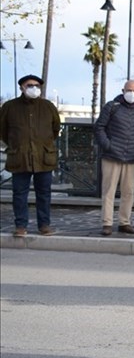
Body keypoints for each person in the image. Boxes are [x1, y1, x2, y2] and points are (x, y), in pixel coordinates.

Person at [0, 74, 60, 238]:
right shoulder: (9, 107)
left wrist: (44, 143)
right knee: (19, 193)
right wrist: (16, 144)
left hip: (43, 157)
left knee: (44, 193)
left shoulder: (48, 106)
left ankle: (44, 225)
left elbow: (55, 128)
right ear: (22, 88)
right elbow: (3, 130)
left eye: (37, 85)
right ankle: (20, 225)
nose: (34, 88)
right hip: (20, 157)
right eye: (30, 85)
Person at [94, 79, 134, 236]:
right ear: (123, 91)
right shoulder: (112, 107)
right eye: (129, 90)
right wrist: (108, 146)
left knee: (128, 192)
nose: (132, 93)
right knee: (109, 191)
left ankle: (124, 222)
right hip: (111, 156)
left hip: (131, 157)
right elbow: (99, 128)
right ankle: (107, 223)